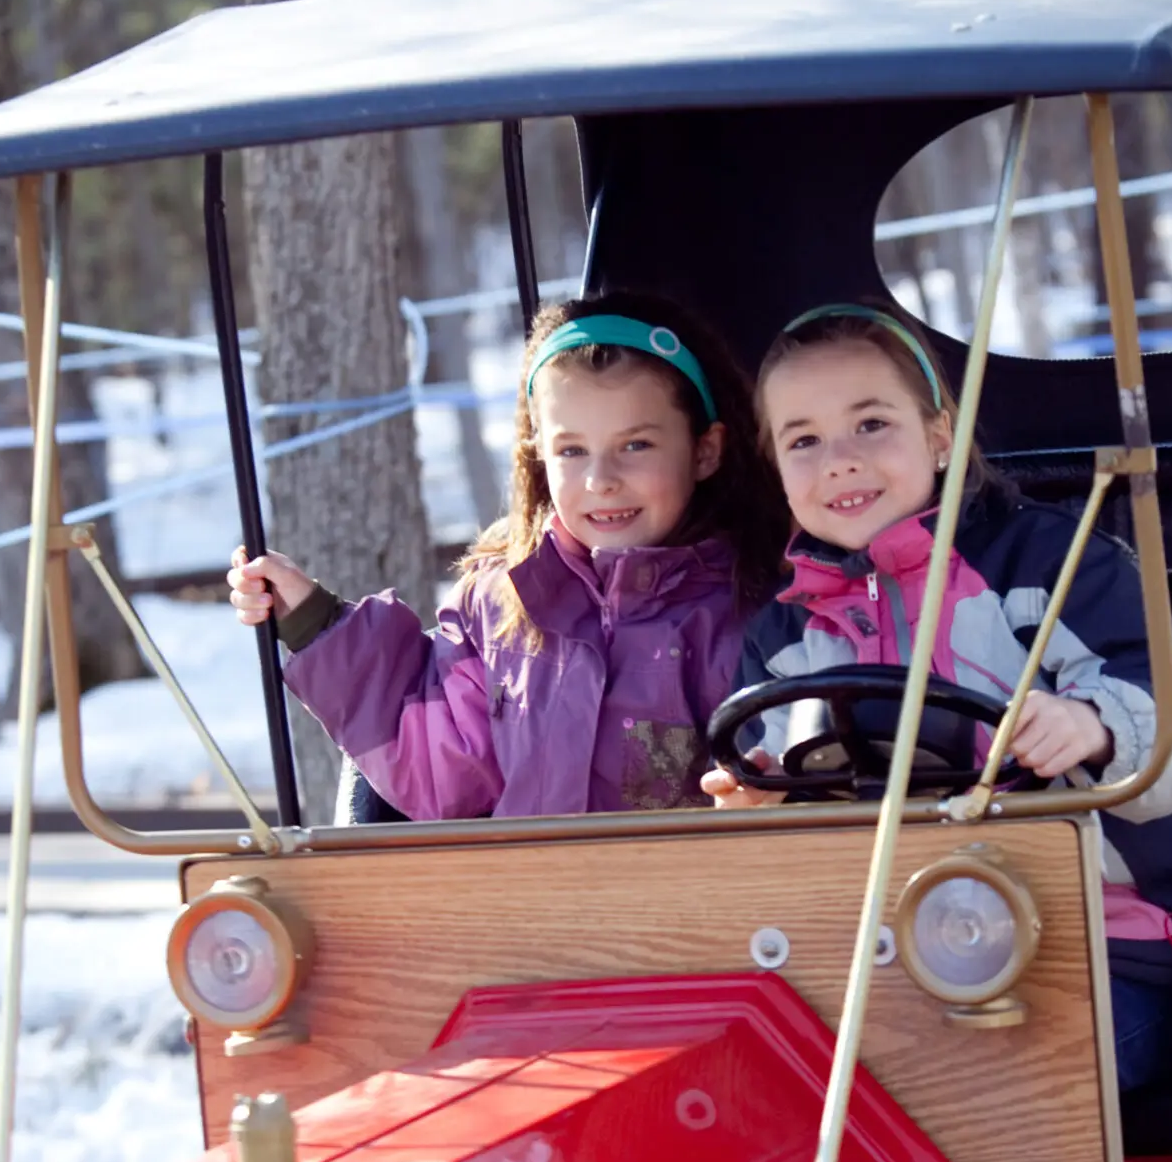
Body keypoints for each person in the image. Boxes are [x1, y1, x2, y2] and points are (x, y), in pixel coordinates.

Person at [704, 303, 1172, 1089]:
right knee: (752, 1084)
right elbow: (782, 814)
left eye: (871, 424)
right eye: (804, 440)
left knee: (983, 1091)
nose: (839, 461)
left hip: (1093, 950)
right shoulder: (779, 639)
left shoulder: (1051, 564)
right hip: (882, 961)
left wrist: (1090, 726)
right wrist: (755, 809)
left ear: (939, 436)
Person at [228, 298, 786, 821]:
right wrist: (315, 623)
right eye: (572, 451)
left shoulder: (750, 607)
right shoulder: (502, 602)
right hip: (527, 908)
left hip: (687, 910)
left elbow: (789, 771)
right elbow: (438, 771)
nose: (601, 480)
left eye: (635, 445)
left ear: (704, 450)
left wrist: (760, 794)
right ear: (540, 455)